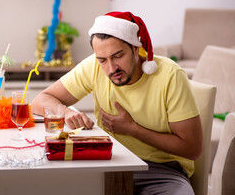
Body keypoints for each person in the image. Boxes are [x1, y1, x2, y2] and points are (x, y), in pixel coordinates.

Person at [32, 11, 203, 195]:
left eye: (118, 56)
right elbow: (39, 101)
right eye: (102, 60)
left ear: (136, 49)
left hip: (162, 171)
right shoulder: (94, 66)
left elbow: (192, 149)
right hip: (111, 163)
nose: (111, 68)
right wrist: (66, 113)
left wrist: (132, 129)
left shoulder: (170, 75)